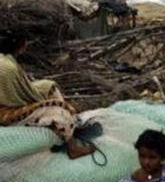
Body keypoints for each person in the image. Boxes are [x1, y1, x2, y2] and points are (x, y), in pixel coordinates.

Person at [0, 30, 94, 159]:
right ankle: (72, 146)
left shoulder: (5, 59)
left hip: (7, 101)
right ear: (20, 46)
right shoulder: (8, 67)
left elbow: (20, 88)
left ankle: (70, 125)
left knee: (48, 85)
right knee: (57, 109)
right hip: (6, 112)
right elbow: (17, 97)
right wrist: (39, 102)